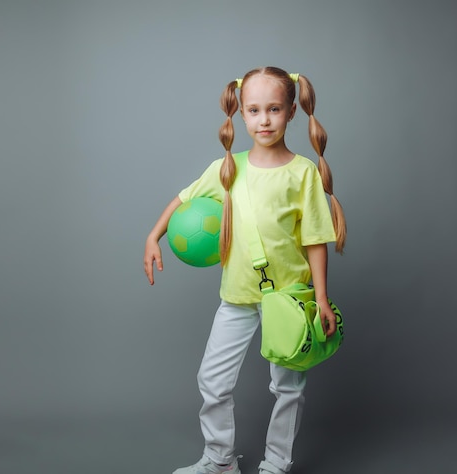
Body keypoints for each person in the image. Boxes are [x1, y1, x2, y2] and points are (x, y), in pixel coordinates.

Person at [143, 66, 347, 474]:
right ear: (241, 114)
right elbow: (182, 199)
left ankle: (276, 462)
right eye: (253, 110)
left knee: (288, 388)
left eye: (273, 109)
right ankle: (219, 460)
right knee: (212, 381)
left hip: (288, 299)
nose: (264, 119)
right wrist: (154, 236)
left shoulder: (302, 173)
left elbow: (314, 240)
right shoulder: (227, 169)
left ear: (291, 111)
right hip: (236, 297)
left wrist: (321, 298)